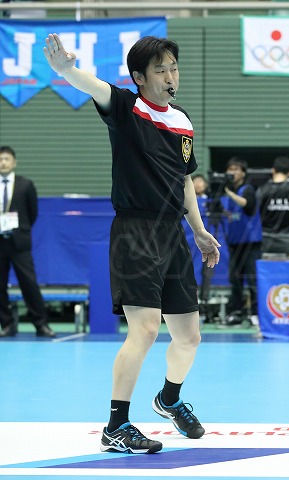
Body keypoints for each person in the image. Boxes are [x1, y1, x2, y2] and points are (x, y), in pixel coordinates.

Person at [44, 34, 220, 454]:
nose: (170, 76)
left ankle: (169, 400)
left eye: (174, 68)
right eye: (160, 70)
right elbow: (93, 86)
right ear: (140, 78)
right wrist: (67, 70)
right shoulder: (126, 108)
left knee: (189, 337)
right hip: (135, 232)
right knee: (144, 329)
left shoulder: (182, 121)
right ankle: (116, 426)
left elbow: (184, 180)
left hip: (173, 234)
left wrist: (198, 230)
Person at [0, 146, 55, 338]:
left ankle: (41, 324)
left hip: (19, 243)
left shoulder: (25, 185)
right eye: (0, 159)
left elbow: (32, 213)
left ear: (14, 162)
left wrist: (20, 230)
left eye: (6, 159)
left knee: (29, 283)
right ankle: (7, 324)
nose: (3, 162)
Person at [222, 157, 262, 325]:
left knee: (252, 280)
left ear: (243, 173)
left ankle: (256, 313)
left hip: (250, 243)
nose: (232, 172)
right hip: (234, 242)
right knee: (235, 279)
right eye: (230, 169)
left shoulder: (248, 189)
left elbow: (247, 204)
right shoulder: (227, 193)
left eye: (236, 169)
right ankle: (236, 312)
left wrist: (229, 193)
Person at [257, 156, 289, 258]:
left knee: (266, 268)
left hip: (266, 240)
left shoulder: (263, 189)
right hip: (288, 240)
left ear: (273, 170)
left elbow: (254, 210)